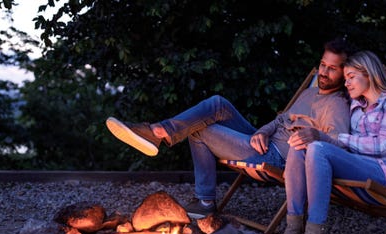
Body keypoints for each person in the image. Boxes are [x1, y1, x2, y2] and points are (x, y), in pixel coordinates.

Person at [106, 39, 354, 218]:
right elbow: (281, 120)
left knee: (198, 130)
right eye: (323, 64)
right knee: (218, 104)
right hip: (263, 141)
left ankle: (204, 200)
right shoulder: (310, 92)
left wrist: (312, 137)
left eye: (332, 68)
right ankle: (158, 131)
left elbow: (337, 143)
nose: (323, 71)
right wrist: (263, 131)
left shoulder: (338, 106)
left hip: (278, 157)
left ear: (345, 72)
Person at [268, 50, 386, 234]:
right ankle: (293, 228)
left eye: (351, 77)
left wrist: (334, 139)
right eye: (345, 79)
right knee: (301, 145)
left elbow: (382, 145)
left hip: (382, 172)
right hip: (356, 164)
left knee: (318, 148)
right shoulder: (355, 106)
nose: (347, 84)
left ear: (369, 75)